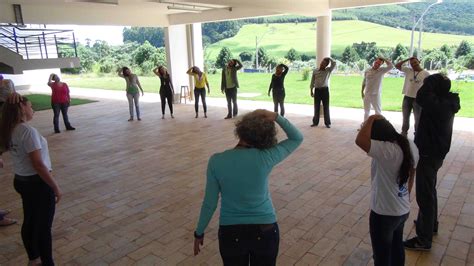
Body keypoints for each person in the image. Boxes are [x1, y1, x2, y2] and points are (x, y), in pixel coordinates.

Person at [193, 109, 303, 265]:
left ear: (241, 129)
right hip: (266, 229)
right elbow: (297, 138)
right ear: (266, 137)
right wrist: (277, 117)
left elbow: (209, 203)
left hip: (230, 232)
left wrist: (199, 232)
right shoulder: (266, 157)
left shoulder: (216, 161)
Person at [0, 94, 62, 266]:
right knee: (43, 227)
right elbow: (38, 164)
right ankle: (47, 262)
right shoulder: (28, 132)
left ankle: (34, 259)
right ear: (22, 109)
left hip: (21, 181)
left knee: (30, 221)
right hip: (37, 184)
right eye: (30, 105)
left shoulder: (9, 128)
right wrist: (55, 186)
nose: (32, 108)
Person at [404, 74, 460, 251]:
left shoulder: (437, 105)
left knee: (425, 196)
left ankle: (423, 239)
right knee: (430, 190)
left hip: (429, 155)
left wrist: (430, 82)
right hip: (435, 154)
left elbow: (420, 96)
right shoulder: (446, 101)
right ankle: (430, 224)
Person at [356, 115, 417, 266]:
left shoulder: (387, 150)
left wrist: (371, 118)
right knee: (397, 250)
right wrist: (406, 196)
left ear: (379, 138)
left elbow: (360, 140)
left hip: (384, 214)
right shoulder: (408, 144)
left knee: (382, 256)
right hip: (402, 209)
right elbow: (412, 174)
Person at [395, 57, 430, 137]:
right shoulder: (408, 71)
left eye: (415, 62)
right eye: (412, 63)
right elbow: (397, 65)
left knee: (417, 119)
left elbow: (429, 87)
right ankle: (404, 133)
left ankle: (417, 134)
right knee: (405, 117)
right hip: (407, 97)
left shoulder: (426, 74)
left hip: (418, 99)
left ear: (419, 62)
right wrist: (409, 59)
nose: (414, 64)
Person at [361, 58, 393, 122]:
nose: (377, 64)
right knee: (366, 111)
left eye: (379, 64)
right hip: (367, 94)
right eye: (376, 62)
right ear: (374, 62)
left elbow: (391, 66)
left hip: (376, 95)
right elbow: (364, 81)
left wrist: (383, 58)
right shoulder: (367, 70)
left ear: (381, 65)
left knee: (378, 112)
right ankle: (365, 125)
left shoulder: (382, 70)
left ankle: (378, 126)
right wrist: (362, 91)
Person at [310, 57, 336, 128]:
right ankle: (315, 122)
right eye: (322, 62)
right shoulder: (315, 71)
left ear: (326, 65)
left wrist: (329, 58)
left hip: (325, 91)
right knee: (316, 107)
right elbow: (312, 81)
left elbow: (334, 64)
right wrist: (311, 90)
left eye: (324, 63)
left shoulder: (328, 70)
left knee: (326, 107)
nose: (322, 64)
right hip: (317, 91)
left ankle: (327, 123)